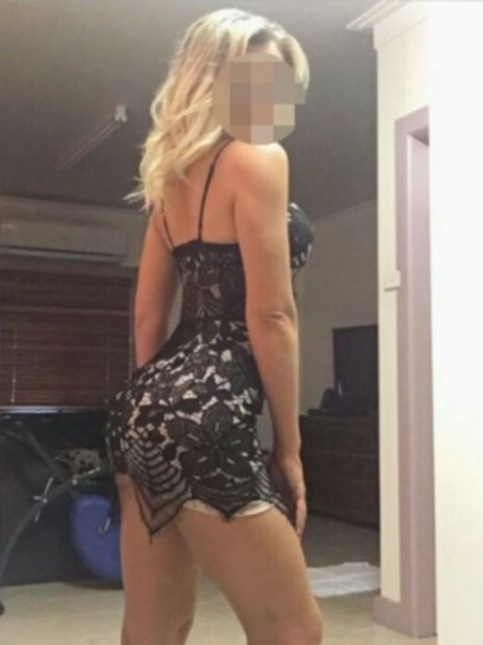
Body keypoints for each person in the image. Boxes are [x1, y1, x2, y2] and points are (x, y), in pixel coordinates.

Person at [105, 8, 323, 645]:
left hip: (141, 407)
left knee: (154, 627)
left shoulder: (169, 178)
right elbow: (271, 314)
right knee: (294, 630)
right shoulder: (261, 157)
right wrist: (289, 447)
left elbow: (148, 315)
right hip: (209, 405)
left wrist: (154, 410)